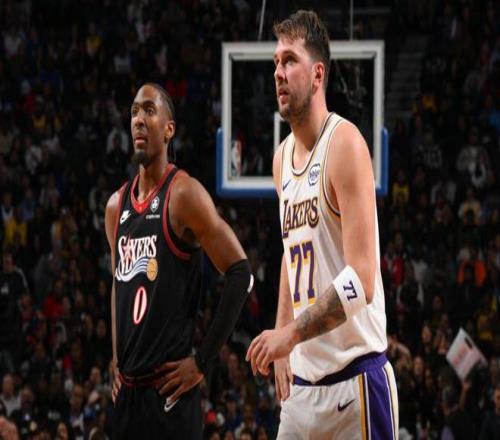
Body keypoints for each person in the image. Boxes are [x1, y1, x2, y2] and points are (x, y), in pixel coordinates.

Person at [246, 10, 398, 439]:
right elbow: (290, 252)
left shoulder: (345, 144)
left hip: (356, 381)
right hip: (303, 389)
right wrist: (282, 334)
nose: (278, 72)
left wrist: (289, 335)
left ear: (317, 75)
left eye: (289, 60)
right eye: (276, 62)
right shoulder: (281, 159)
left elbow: (361, 281)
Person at [105, 83, 252, 439]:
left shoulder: (183, 194)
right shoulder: (115, 206)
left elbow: (240, 272)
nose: (139, 120)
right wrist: (115, 357)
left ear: (169, 129)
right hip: (126, 397)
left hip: (169, 395)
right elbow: (118, 285)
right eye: (134, 112)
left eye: (149, 111)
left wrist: (202, 361)